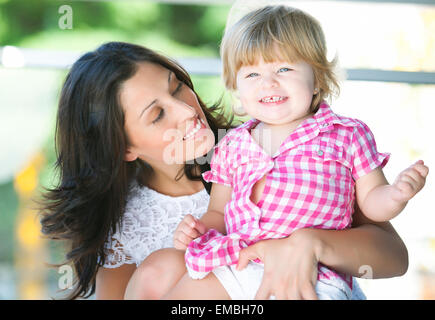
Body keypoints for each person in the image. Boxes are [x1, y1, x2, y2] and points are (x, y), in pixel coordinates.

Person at [40, 41, 409, 301]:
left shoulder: (266, 143)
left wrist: (310, 243)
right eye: (157, 114)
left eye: (178, 87)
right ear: (124, 148)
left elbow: (394, 256)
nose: (187, 111)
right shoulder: (124, 221)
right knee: (162, 267)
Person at [148, 5, 428, 300]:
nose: (268, 82)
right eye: (253, 73)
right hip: (238, 262)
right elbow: (219, 212)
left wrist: (396, 195)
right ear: (236, 87)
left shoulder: (346, 134)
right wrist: (200, 229)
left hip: (316, 273)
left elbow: (372, 204)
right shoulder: (232, 145)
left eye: (284, 69)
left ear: (318, 78)